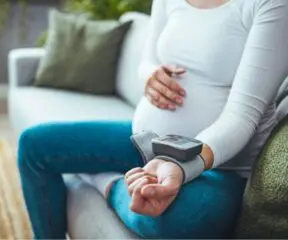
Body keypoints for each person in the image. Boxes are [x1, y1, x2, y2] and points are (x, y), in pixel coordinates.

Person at [17, 0, 288, 238]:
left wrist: (182, 164)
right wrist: (149, 75)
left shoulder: (270, 4)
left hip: (221, 167)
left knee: (175, 219)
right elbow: (147, 61)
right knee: (34, 146)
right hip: (147, 141)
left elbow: (242, 116)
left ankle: (107, 183)